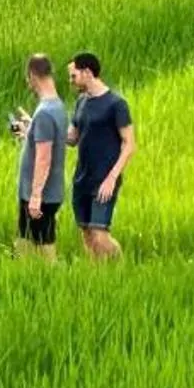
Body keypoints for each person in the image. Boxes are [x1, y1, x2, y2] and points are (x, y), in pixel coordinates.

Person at [66, 53, 135, 260]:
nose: (71, 81)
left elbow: (130, 144)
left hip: (104, 179)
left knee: (100, 234)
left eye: (73, 76)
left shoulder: (116, 104)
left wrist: (112, 179)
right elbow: (72, 138)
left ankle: (121, 267)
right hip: (82, 178)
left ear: (87, 72)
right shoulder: (81, 102)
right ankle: (98, 274)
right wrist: (36, 129)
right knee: (86, 233)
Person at [10, 55, 68, 259]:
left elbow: (44, 157)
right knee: (24, 239)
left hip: (41, 195)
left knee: (45, 244)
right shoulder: (57, 106)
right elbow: (46, 141)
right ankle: (17, 273)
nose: (28, 83)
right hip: (43, 192)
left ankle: (53, 280)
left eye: (28, 78)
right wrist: (29, 131)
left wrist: (36, 196)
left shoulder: (44, 113)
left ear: (33, 76)